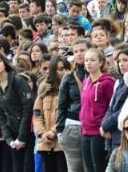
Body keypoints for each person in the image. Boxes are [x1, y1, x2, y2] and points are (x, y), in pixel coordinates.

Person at [0, 51, 34, 172]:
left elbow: (27, 109)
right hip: (13, 138)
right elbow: (1, 116)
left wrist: (22, 138)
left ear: (5, 63)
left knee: (28, 167)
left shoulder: (18, 81)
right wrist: (9, 139)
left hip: (28, 135)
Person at [56, 38, 89, 172]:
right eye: (76, 51)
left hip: (93, 126)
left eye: (82, 50)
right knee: (75, 168)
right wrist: (60, 130)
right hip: (73, 125)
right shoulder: (69, 76)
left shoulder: (100, 75)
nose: (79, 54)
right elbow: (61, 104)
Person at [80, 48, 115, 172]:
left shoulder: (107, 82)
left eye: (92, 60)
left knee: (99, 167)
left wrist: (106, 127)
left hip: (99, 132)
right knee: (89, 168)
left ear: (100, 62)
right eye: (86, 60)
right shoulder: (85, 82)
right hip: (85, 131)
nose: (88, 63)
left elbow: (112, 106)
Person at [33, 56, 69, 172]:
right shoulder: (43, 89)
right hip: (45, 142)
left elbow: (66, 113)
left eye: (64, 68)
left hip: (62, 142)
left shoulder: (69, 88)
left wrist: (53, 131)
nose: (62, 72)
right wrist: (42, 133)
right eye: (59, 69)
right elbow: (37, 114)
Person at [101, 46, 128, 151]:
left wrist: (106, 125)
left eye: (125, 60)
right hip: (113, 133)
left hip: (124, 132)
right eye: (119, 61)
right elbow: (111, 107)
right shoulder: (120, 81)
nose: (121, 64)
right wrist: (103, 125)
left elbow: (124, 109)